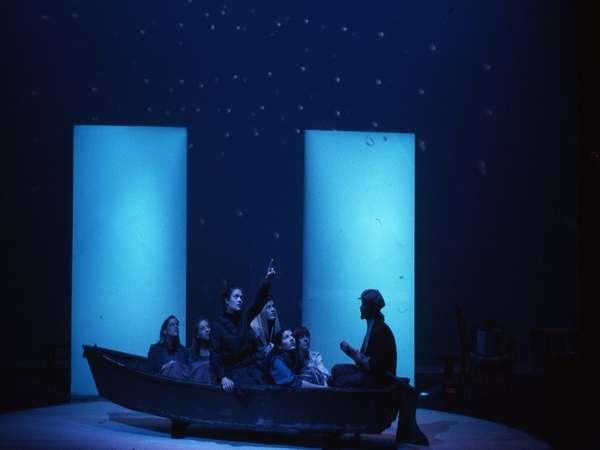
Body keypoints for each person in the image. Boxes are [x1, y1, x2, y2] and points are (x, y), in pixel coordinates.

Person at [329, 289, 428, 446]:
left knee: (340, 381)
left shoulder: (380, 330)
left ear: (370, 308)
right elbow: (365, 361)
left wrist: (352, 352)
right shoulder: (372, 327)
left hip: (379, 379)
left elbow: (376, 367)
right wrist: (354, 354)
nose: (360, 308)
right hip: (371, 374)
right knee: (336, 370)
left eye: (363, 304)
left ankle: (343, 420)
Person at [210, 259, 276, 392]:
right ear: (227, 301)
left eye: (241, 297)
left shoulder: (244, 317)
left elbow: (257, 303)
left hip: (250, 369)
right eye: (236, 297)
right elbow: (215, 354)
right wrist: (222, 377)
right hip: (232, 372)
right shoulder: (217, 325)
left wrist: (267, 281)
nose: (240, 300)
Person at [147, 315, 190, 379]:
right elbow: (150, 372)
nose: (176, 326)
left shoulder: (184, 351)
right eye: (172, 324)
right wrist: (165, 367)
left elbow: (187, 372)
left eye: (177, 324)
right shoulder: (154, 349)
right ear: (165, 331)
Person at [188, 318, 214, 383]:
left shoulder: (217, 351)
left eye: (208, 327)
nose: (207, 330)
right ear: (197, 335)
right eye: (203, 328)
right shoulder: (191, 353)